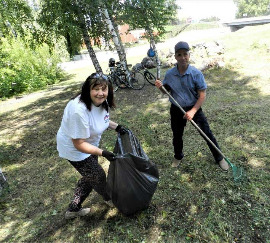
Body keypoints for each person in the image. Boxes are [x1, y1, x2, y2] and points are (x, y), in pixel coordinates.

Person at [57, 73, 128, 219]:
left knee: (90, 176)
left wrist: (117, 127)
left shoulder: (102, 101)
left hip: (89, 144)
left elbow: (102, 119)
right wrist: (103, 152)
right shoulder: (78, 110)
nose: (100, 93)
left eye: (104, 89)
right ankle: (109, 198)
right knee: (98, 175)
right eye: (96, 89)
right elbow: (78, 143)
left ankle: (73, 209)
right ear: (88, 90)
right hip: (74, 149)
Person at [155, 41, 229, 171]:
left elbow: (202, 96)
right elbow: (166, 91)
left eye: (185, 54)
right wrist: (160, 87)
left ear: (189, 55)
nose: (183, 57)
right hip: (176, 109)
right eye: (179, 55)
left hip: (194, 107)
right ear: (175, 57)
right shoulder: (170, 74)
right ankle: (178, 156)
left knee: (206, 133)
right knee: (177, 135)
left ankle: (219, 158)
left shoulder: (196, 74)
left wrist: (193, 111)